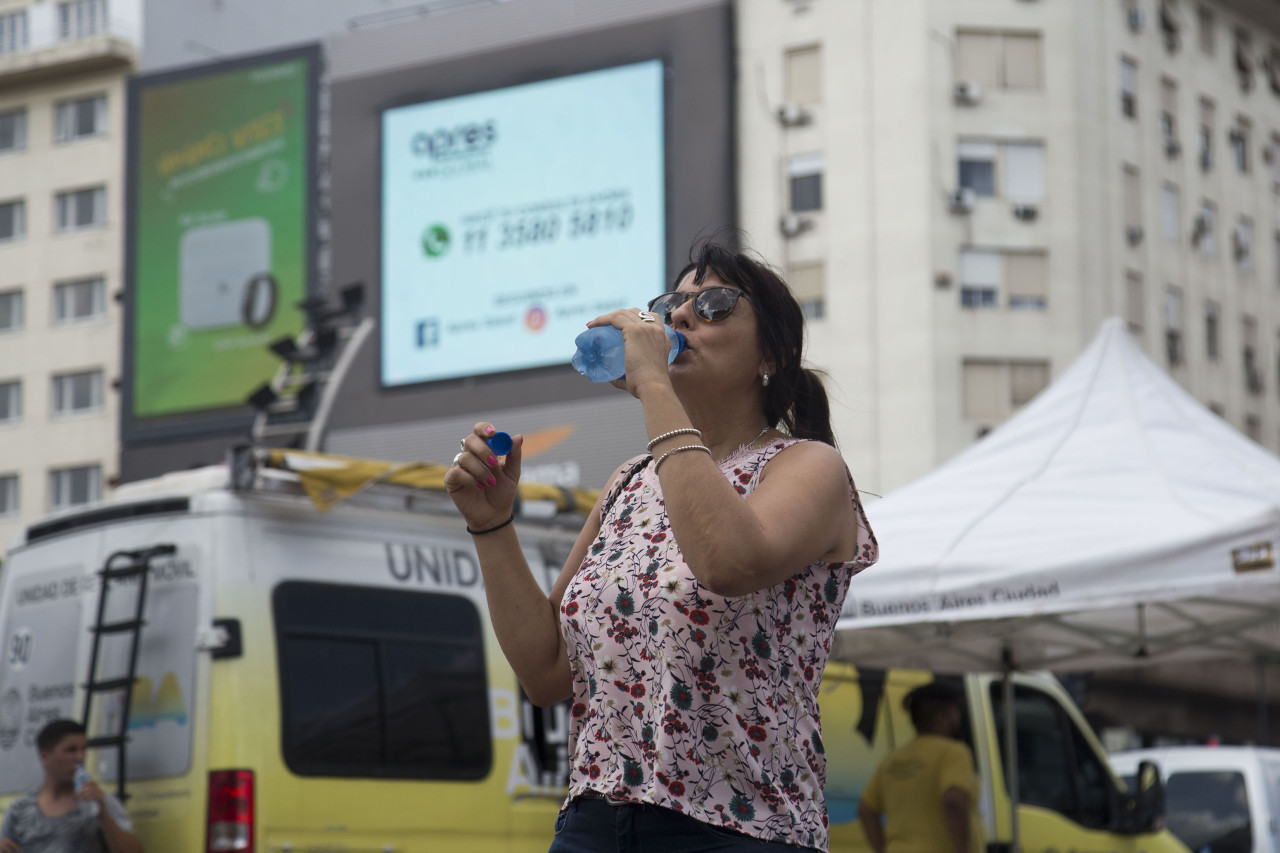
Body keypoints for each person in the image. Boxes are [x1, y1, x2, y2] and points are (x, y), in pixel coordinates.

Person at [446, 240, 878, 852]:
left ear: (773, 355)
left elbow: (728, 561)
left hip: (739, 830)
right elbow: (546, 674)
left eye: (716, 305)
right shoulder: (630, 480)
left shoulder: (807, 466)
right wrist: (492, 525)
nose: (679, 317)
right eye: (673, 303)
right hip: (594, 824)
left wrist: (652, 381)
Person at [857, 682, 984, 853]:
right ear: (942, 716)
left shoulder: (892, 760)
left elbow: (866, 810)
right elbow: (953, 800)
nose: (958, 718)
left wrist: (881, 849)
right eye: (955, 712)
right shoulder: (953, 753)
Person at [0, 719, 142, 853]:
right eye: (71, 750)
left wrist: (103, 815)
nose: (80, 758)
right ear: (45, 757)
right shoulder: (19, 810)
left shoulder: (98, 801)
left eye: (83, 750)